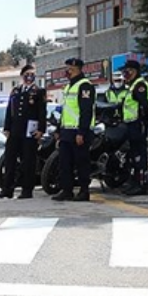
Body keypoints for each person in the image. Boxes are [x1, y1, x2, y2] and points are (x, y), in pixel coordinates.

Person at [0, 66, 48, 199]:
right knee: (10, 160)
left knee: (28, 162)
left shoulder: (38, 91)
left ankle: (27, 190)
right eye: (27, 74)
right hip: (15, 131)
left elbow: (42, 112)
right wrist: (7, 128)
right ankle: (7, 189)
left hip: (29, 132)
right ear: (22, 75)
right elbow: (10, 110)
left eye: (32, 74)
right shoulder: (15, 91)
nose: (29, 77)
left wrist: (41, 130)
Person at [53, 57, 95, 201]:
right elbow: (65, 110)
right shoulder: (68, 86)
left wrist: (81, 132)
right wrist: (59, 129)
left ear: (78, 69)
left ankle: (84, 191)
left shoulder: (85, 86)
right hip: (66, 131)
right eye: (67, 68)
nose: (68, 71)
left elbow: (86, 111)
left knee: (81, 162)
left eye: (70, 69)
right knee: (64, 163)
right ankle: (66, 190)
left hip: (79, 131)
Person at [119, 60, 148, 195]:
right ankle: (134, 182)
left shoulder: (140, 85)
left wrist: (144, 118)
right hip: (131, 124)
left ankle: (141, 184)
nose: (125, 74)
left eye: (127, 71)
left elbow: (144, 105)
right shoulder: (132, 86)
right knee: (133, 155)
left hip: (137, 124)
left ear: (134, 71)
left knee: (140, 155)